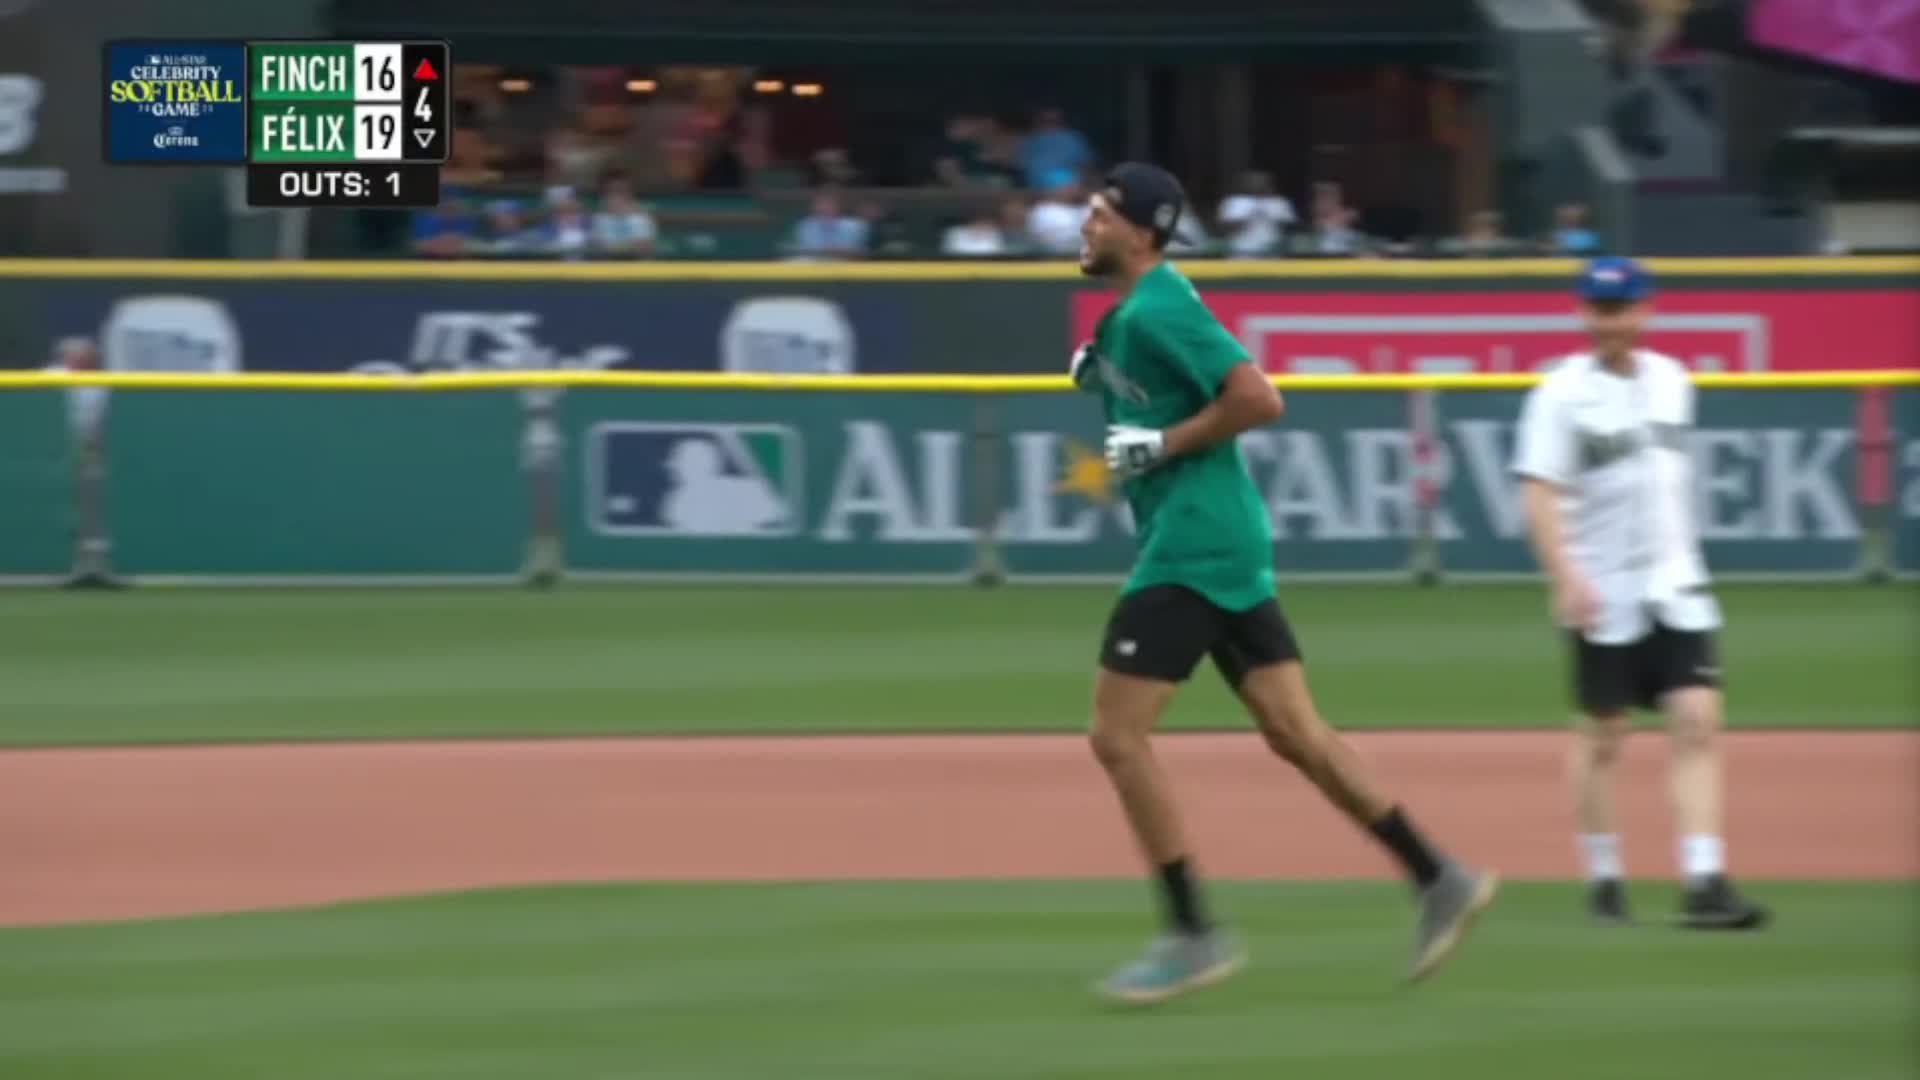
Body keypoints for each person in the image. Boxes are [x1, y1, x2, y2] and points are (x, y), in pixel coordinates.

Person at [1070, 162, 1499, 1005]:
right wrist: (1098, 373)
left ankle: (1193, 934)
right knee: (1294, 730)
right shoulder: (1132, 320)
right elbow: (1138, 384)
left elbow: (1258, 399)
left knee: (1116, 737)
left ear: (1143, 231)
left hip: (1193, 549)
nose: (1083, 223)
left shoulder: (1159, 309)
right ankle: (1438, 876)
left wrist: (1161, 445)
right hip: (1218, 541)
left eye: (1099, 212)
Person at [1511, 256, 1770, 930]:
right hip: (1603, 590)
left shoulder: (1672, 382)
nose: (1610, 323)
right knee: (1604, 734)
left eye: (1621, 308)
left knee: (1696, 719)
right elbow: (1538, 492)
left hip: (1677, 585)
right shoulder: (1559, 394)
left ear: (1645, 310)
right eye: (1598, 310)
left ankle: (1704, 879)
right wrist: (1565, 576)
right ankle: (1603, 876)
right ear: (1582, 313)